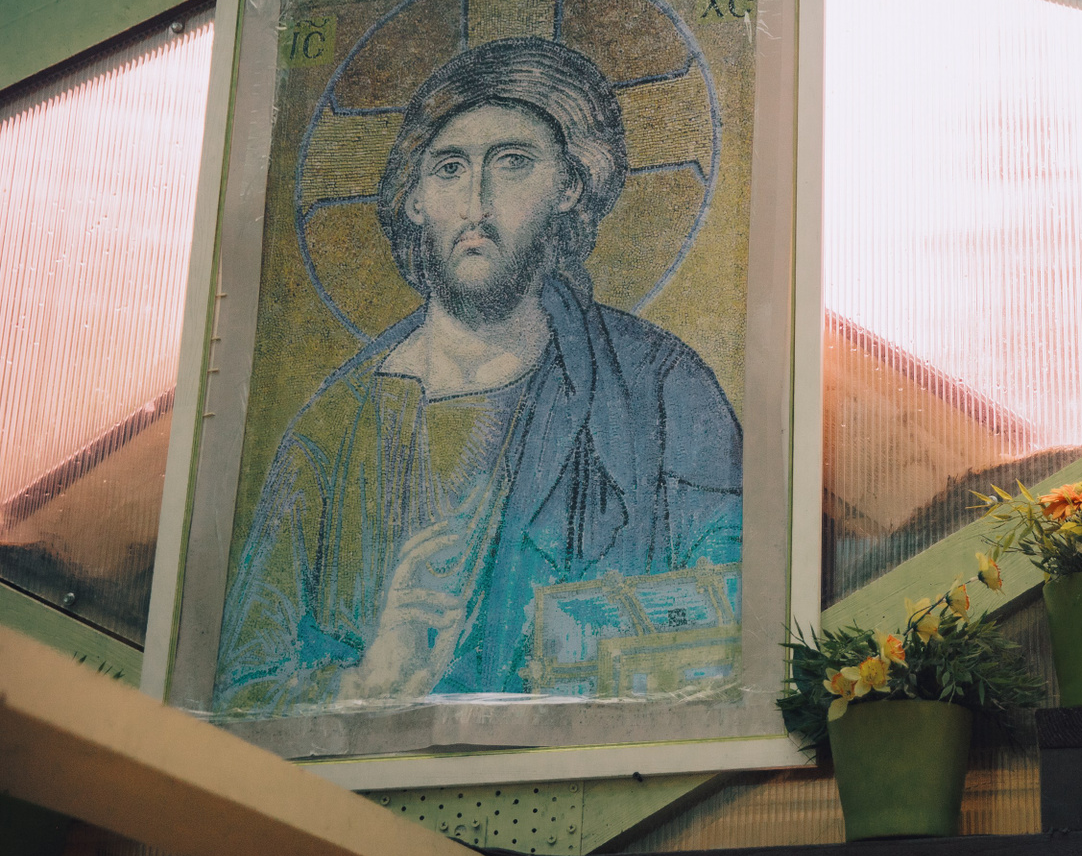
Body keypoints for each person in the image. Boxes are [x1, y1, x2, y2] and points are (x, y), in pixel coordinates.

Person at [213, 36, 742, 714]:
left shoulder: (659, 388)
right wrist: (369, 681)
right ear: (415, 199)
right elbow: (242, 695)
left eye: (513, 163)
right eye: (449, 169)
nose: (476, 205)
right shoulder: (332, 432)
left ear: (569, 186)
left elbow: (736, 612)